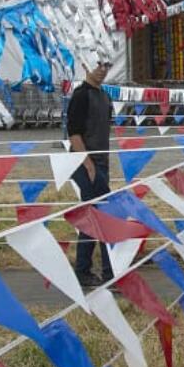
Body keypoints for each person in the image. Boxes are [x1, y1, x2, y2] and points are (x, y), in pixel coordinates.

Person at [67, 58, 113, 288]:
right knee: (100, 215)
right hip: (86, 162)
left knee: (96, 215)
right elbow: (73, 133)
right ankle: (104, 271)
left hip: (101, 161)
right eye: (99, 65)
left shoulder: (105, 96)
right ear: (85, 66)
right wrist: (87, 162)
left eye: (107, 66)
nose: (103, 70)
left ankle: (88, 268)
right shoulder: (80, 95)